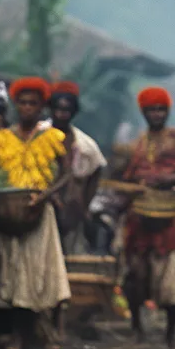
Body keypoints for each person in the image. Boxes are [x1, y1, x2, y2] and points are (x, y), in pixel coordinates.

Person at [0, 78, 73, 349]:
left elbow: (67, 174)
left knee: (34, 271)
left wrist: (46, 195)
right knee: (12, 269)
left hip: (39, 213)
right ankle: (17, 333)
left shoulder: (54, 137)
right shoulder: (2, 138)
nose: (27, 108)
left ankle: (25, 335)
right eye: (23, 103)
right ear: (15, 105)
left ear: (42, 107)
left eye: (33, 103)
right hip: (8, 212)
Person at [119, 87, 175, 349]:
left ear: (168, 111)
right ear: (143, 112)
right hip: (139, 216)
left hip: (168, 218)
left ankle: (170, 333)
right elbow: (129, 178)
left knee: (171, 278)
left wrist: (171, 179)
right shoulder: (138, 143)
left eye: (161, 109)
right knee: (135, 274)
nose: (157, 114)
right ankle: (137, 327)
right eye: (152, 110)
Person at [45, 82, 106, 254]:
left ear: (73, 112)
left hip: (71, 212)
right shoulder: (38, 135)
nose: (61, 114)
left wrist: (84, 204)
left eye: (66, 110)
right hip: (41, 206)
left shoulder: (85, 145)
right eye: (58, 108)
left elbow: (97, 170)